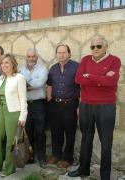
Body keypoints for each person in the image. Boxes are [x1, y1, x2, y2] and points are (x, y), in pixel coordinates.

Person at [68, 36, 121, 180]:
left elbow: (112, 81)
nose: (95, 49)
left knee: (106, 142)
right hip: (86, 105)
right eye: (92, 47)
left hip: (106, 106)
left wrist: (90, 76)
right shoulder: (85, 60)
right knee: (86, 138)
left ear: (106, 46)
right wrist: (101, 78)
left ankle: (105, 176)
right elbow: (78, 79)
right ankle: (83, 170)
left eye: (98, 46)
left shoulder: (114, 60)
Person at [0, 54, 27, 177]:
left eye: (7, 62)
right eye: (2, 63)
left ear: (13, 64)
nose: (4, 65)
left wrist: (23, 117)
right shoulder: (1, 78)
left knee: (10, 142)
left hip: (13, 112)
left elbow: (23, 99)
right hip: (1, 111)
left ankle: (10, 168)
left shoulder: (19, 78)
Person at [47, 44, 80, 168]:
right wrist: (49, 100)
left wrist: (79, 106)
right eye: (59, 52)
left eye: (64, 52)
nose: (61, 54)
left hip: (70, 104)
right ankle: (56, 155)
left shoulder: (77, 67)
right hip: (55, 104)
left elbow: (82, 88)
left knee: (70, 133)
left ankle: (67, 158)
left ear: (69, 54)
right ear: (56, 54)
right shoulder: (53, 68)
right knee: (56, 131)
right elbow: (49, 85)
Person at [20, 48, 48, 168]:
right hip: (25, 105)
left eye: (33, 56)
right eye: (29, 56)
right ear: (26, 57)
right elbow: (19, 84)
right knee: (27, 131)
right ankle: (30, 156)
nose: (31, 59)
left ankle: (41, 157)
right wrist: (30, 83)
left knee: (40, 131)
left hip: (38, 104)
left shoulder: (43, 69)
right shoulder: (20, 70)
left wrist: (25, 84)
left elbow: (39, 83)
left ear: (37, 57)